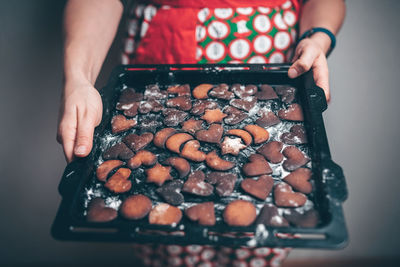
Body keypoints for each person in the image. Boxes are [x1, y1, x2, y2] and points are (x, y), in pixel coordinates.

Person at [57, 0, 345, 266]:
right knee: (167, 243)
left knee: (257, 239)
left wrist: (318, 36)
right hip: (161, 73)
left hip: (269, 68)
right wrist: (79, 79)